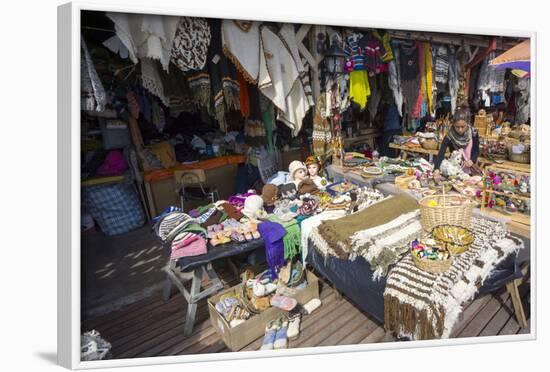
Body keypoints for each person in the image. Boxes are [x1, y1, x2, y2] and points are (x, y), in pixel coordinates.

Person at [433, 107, 480, 180]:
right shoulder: (449, 135)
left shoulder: (473, 133)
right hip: (454, 171)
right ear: (453, 124)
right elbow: (441, 153)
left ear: (467, 123)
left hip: (470, 171)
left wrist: (472, 160)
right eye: (457, 127)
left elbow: (476, 150)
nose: (460, 130)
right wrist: (436, 169)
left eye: (462, 127)